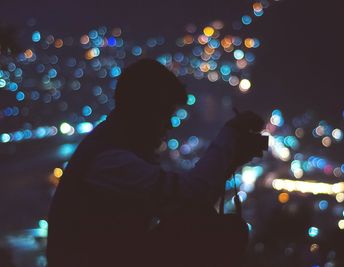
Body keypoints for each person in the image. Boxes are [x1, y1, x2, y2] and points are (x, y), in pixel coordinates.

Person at [46, 59, 266, 267]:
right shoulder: (110, 161)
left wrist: (227, 162)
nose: (168, 125)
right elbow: (190, 195)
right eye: (164, 113)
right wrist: (229, 137)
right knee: (223, 232)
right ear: (143, 111)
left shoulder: (109, 147)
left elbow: (187, 203)